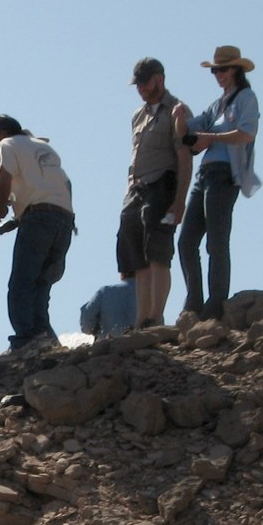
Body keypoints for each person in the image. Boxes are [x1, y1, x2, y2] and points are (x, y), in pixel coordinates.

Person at [174, 46, 261, 321]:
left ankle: (216, 303)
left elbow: (246, 133)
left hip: (225, 174)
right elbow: (190, 128)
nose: (218, 74)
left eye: (222, 69)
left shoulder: (246, 97)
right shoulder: (217, 105)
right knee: (187, 241)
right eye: (215, 70)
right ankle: (194, 301)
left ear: (236, 69)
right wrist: (179, 119)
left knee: (216, 241)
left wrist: (211, 138)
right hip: (206, 174)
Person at [0, 114, 75, 351]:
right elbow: (65, 184)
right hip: (64, 219)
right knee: (42, 285)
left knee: (22, 283)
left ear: (0, 133)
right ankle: (45, 340)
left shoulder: (7, 144)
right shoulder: (45, 147)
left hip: (38, 219)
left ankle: (26, 341)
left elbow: (4, 178)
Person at [116, 58, 193, 328]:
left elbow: (184, 156)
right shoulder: (138, 115)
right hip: (136, 188)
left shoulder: (177, 110)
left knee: (158, 252)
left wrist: (179, 200)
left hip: (163, 184)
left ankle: (156, 317)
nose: (141, 89)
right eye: (137, 84)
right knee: (136, 255)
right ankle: (142, 319)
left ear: (159, 79)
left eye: (144, 82)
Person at [80, 275, 137, 339]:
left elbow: (86, 322)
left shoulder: (105, 291)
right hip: (144, 344)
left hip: (109, 345)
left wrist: (96, 331)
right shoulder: (149, 293)